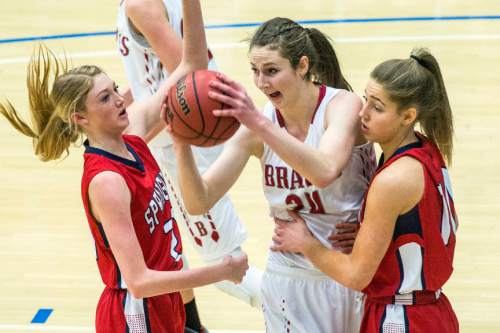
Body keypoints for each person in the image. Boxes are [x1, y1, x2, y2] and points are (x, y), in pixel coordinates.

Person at [0, 1, 248, 332]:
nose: (119, 99)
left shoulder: (135, 134)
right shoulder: (107, 181)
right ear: (81, 119)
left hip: (166, 301)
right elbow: (140, 281)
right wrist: (222, 271)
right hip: (137, 314)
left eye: (115, 89)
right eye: (104, 98)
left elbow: (191, 63)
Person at [170, 17, 377, 333]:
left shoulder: (342, 106)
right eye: (254, 70)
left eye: (271, 70)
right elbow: (199, 202)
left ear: (302, 66)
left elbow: (325, 170)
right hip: (289, 278)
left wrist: (257, 123)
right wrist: (181, 143)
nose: (261, 82)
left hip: (351, 270)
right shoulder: (256, 126)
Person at [271, 48, 459, 332]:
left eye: (378, 107)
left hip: (399, 318)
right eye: (365, 99)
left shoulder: (393, 180)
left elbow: (356, 275)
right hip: (433, 312)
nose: (363, 113)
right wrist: (370, 233)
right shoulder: (426, 150)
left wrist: (305, 242)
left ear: (408, 116)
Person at [116, 1, 263, 322]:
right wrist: (124, 99)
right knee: (168, 243)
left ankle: (300, 310)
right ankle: (191, 325)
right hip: (175, 137)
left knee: (226, 268)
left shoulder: (141, 5)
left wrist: (134, 142)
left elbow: (188, 72)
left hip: (180, 143)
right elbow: (158, 66)